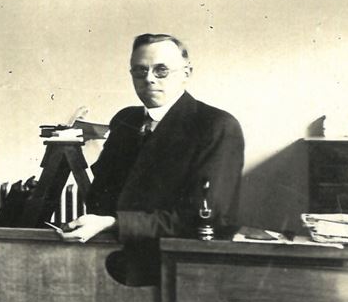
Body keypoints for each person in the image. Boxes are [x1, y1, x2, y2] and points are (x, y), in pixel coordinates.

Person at [59, 33, 244, 269]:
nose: (149, 79)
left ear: (186, 74)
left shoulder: (216, 126)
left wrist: (114, 223)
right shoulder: (125, 120)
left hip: (181, 265)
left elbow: (209, 219)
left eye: (161, 70)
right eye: (139, 71)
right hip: (112, 257)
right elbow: (100, 196)